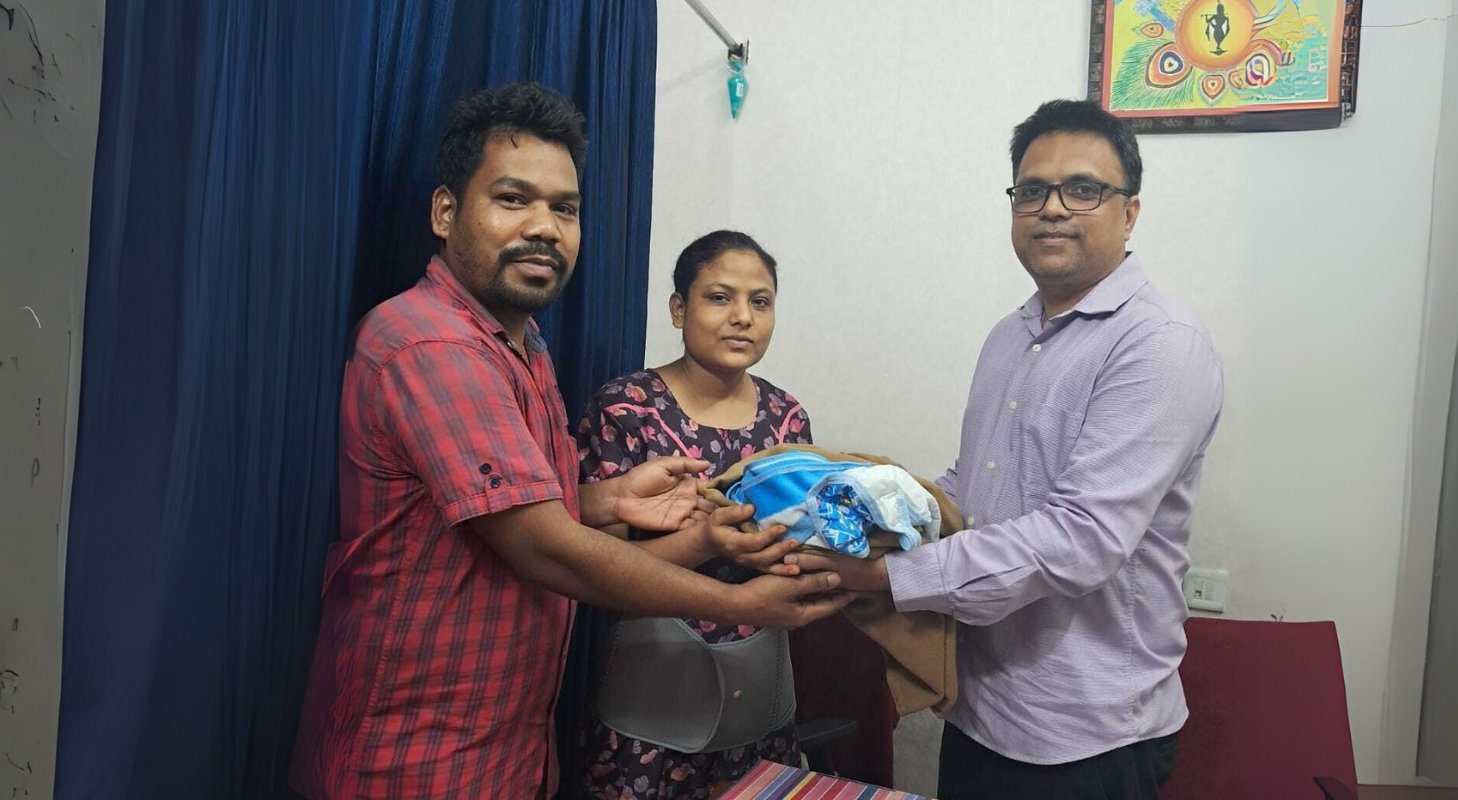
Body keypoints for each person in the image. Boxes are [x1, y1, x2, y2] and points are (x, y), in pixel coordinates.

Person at [288, 82, 848, 800]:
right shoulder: (430, 344)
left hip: (515, 745)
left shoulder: (523, 348)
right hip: (415, 756)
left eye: (565, 208)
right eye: (513, 199)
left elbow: (492, 511)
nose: (545, 227)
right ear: (446, 211)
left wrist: (603, 497)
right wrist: (749, 602)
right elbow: (544, 545)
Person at [794, 99, 1224, 800]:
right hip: (980, 705)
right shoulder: (1009, 335)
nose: (1052, 208)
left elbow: (1082, 538)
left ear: (1130, 212)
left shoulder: (1160, 344)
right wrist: (877, 523)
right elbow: (975, 485)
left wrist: (886, 580)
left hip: (1088, 732)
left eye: (1083, 189)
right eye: (1031, 190)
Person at [567, 231, 896, 798]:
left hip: (760, 699)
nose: (742, 317)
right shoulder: (627, 408)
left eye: (760, 301)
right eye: (720, 297)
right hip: (648, 703)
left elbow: (802, 540)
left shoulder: (786, 417)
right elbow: (597, 569)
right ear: (679, 308)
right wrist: (706, 543)